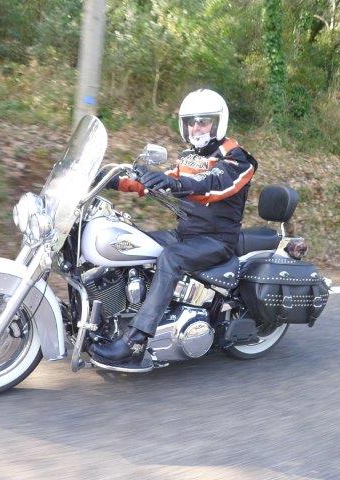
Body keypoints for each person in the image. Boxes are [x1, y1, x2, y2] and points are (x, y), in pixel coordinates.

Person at [89, 89, 258, 370]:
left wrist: (177, 185)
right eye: (191, 122)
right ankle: (106, 317)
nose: (196, 128)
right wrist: (114, 181)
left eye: (203, 122)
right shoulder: (190, 156)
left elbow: (213, 185)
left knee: (171, 258)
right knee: (128, 243)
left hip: (216, 241)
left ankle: (135, 341)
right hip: (185, 234)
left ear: (218, 123)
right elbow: (166, 179)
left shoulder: (237, 159)